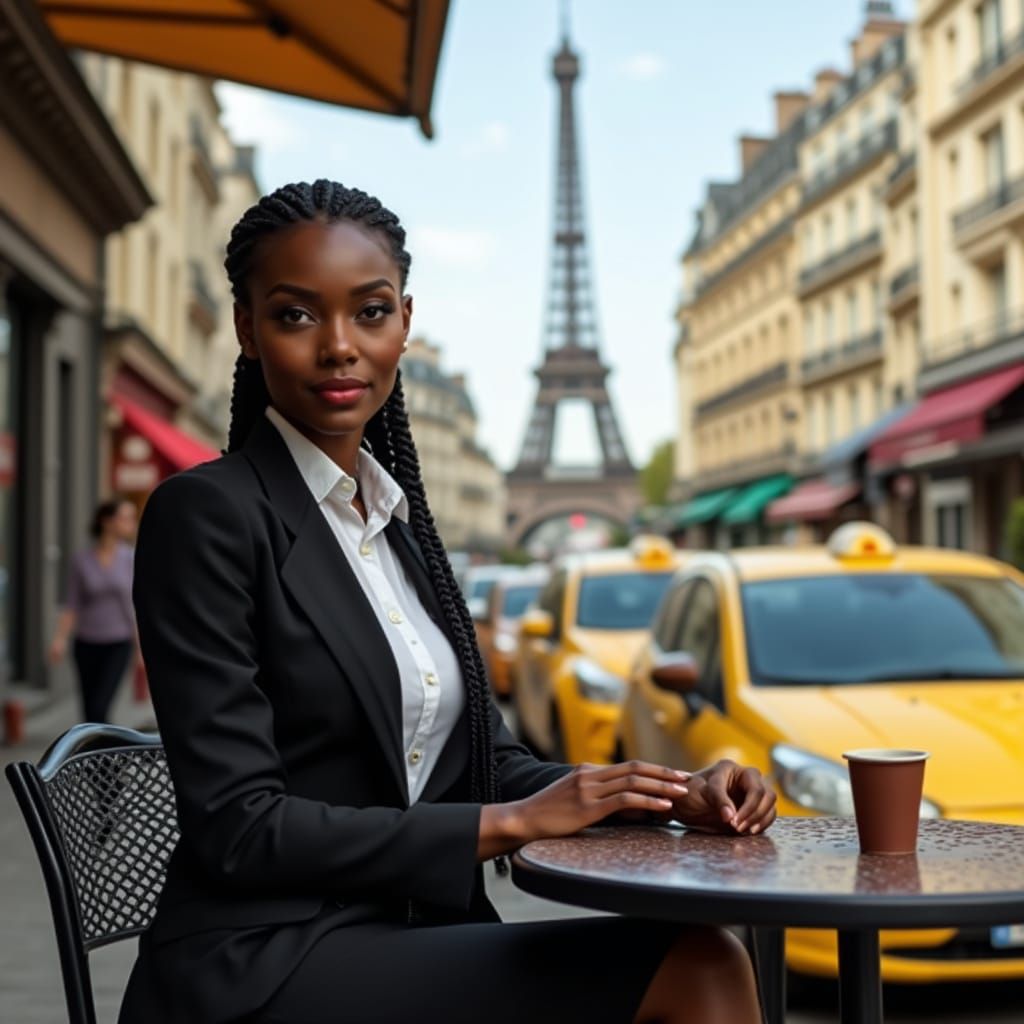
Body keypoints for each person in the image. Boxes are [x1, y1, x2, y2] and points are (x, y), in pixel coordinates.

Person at [118, 180, 777, 1024]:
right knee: (698, 965)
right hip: (266, 956)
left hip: (407, 927)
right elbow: (241, 829)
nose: (339, 348)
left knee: (702, 953)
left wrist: (667, 796)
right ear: (246, 328)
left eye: (370, 312)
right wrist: (505, 825)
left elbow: (487, 764)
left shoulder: (398, 526)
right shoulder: (207, 513)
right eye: (295, 316)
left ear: (406, 320)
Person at [48, 497, 138, 723]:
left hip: (118, 643)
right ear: (107, 521)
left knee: (100, 706)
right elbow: (73, 603)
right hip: (86, 644)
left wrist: (141, 649)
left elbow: (133, 605)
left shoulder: (130, 558)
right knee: (89, 709)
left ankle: (104, 756)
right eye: (125, 518)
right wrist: (59, 639)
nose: (131, 523)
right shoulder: (82, 560)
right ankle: (92, 756)